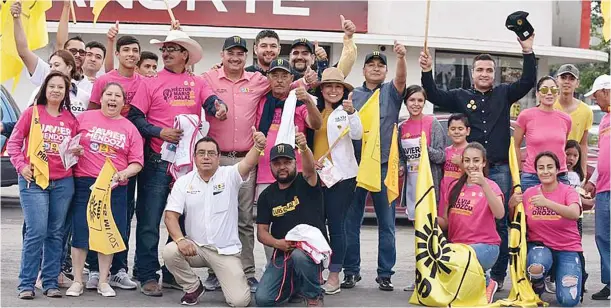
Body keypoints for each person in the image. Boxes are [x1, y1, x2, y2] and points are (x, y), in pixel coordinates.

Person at [419, 33, 536, 289]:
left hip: (499, 170)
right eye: (480, 69)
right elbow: (434, 95)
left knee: (500, 220)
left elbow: (528, 80)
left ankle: (497, 275)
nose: (484, 73)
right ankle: (463, 268)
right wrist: (427, 72)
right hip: (468, 172)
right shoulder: (460, 95)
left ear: (494, 73)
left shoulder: (505, 93)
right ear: (473, 73)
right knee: (463, 217)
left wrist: (527, 50)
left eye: (489, 70)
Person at [127, 29, 228, 296]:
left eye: (172, 48)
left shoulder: (197, 82)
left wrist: (219, 107)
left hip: (186, 165)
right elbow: (136, 118)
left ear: (186, 55)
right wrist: (159, 132)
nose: (166, 53)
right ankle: (147, 273)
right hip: (157, 159)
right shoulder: (149, 82)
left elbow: (212, 102)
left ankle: (172, 272)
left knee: (182, 220)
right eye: (164, 49)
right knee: (149, 219)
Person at [162, 131, 266, 306]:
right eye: (201, 153)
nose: (206, 157)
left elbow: (248, 162)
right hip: (196, 249)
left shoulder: (230, 175)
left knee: (239, 302)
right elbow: (170, 216)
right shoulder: (183, 182)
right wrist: (180, 240)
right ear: (194, 157)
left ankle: (228, 276)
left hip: (226, 252)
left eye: (211, 153)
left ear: (218, 157)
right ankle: (193, 287)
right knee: (170, 251)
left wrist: (258, 146)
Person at [65, 83, 144, 298]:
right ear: (100, 98)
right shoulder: (84, 119)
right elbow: (67, 145)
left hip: (114, 187)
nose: (113, 98)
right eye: (109, 94)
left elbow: (137, 162)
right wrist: (74, 150)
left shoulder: (130, 128)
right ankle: (78, 280)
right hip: (85, 184)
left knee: (107, 234)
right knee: (81, 232)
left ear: (123, 102)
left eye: (118, 95)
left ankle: (103, 280)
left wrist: (124, 174)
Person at [7, 72, 78, 300]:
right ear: (45, 90)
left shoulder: (70, 120)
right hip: (34, 180)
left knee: (56, 233)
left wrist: (77, 152)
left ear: (66, 92)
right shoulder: (32, 113)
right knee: (36, 232)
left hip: (63, 182)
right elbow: (14, 143)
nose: (56, 90)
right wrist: (21, 166)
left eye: (61, 87)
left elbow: (73, 151)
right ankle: (26, 283)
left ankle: (49, 283)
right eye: (52, 86)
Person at [342, 42, 407, 291]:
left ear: (386, 71)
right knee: (351, 223)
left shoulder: (391, 91)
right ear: (364, 70)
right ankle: (351, 271)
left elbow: (401, 79)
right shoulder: (353, 95)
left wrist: (401, 57)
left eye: (381, 65)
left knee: (387, 224)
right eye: (371, 65)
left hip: (382, 167)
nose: (376, 68)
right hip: (355, 167)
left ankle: (385, 274)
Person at [83, 35, 143, 291]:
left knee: (121, 219)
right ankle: (93, 270)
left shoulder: (144, 82)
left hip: (124, 166)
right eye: (125, 49)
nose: (131, 54)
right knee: (89, 221)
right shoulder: (104, 81)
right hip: (90, 174)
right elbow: (91, 116)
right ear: (117, 53)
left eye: (135, 50)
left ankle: (117, 269)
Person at [255, 134, 326, 307]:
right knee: (263, 300)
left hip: (311, 252)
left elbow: (310, 170)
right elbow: (262, 233)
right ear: (270, 165)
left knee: (299, 256)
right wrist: (277, 243)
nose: (282, 167)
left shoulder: (306, 181)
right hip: (283, 252)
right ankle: (295, 286)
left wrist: (304, 148)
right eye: (277, 163)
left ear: (295, 162)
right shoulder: (266, 196)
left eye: (287, 162)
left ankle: (313, 296)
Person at [509, 152, 583, 307]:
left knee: (569, 301)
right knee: (536, 267)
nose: (545, 171)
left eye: (550, 167)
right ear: (536, 171)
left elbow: (575, 213)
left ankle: (560, 273)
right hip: (540, 248)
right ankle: (539, 283)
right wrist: (511, 204)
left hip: (567, 248)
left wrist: (547, 202)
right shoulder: (529, 192)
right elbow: (515, 222)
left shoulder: (568, 191)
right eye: (541, 168)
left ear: (557, 170)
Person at [312, 67, 362, 295]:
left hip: (341, 179)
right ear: (322, 89)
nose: (333, 90)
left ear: (343, 90)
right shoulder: (314, 111)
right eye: (329, 86)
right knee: (316, 227)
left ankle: (334, 275)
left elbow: (357, 134)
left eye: (338, 87)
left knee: (337, 227)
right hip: (315, 177)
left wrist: (352, 113)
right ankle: (317, 272)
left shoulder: (346, 111)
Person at [437, 142, 505, 303]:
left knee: (457, 261)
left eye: (476, 160)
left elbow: (500, 214)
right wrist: (425, 217)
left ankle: (487, 283)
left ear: (483, 162)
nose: (471, 165)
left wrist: (483, 184)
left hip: (486, 248)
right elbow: (446, 223)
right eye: (467, 160)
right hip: (457, 249)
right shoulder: (454, 186)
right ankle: (481, 279)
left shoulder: (492, 186)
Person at [255, 59, 323, 201]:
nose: (279, 80)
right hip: (265, 173)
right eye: (275, 75)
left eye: (284, 76)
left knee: (295, 218)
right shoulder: (261, 101)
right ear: (268, 77)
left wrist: (309, 101)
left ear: (291, 78)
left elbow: (316, 124)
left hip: (295, 173)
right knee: (266, 218)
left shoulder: (298, 103)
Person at [11, 1, 92, 93]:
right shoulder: (48, 71)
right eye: (73, 51)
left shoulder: (89, 85)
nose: (77, 55)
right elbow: (23, 51)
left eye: (82, 52)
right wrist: (16, 18)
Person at [514, 76, 572, 191]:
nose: (549, 93)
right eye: (545, 90)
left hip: (559, 175)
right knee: (531, 208)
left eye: (553, 90)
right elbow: (516, 145)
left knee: (561, 209)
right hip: (532, 176)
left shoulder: (566, 119)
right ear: (537, 94)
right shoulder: (525, 116)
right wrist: (518, 173)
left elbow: (562, 146)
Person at [398, 85, 445, 220]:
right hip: (412, 187)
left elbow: (442, 156)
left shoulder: (432, 123)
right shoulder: (402, 127)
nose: (416, 104)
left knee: (431, 229)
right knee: (417, 229)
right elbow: (402, 157)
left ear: (424, 103)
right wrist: (401, 167)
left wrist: (426, 149)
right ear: (405, 102)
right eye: (412, 100)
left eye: (420, 100)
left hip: (430, 185)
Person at [583, 75, 611, 300]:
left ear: (606, 91)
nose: (595, 100)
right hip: (603, 188)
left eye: (596, 95)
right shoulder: (604, 121)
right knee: (603, 237)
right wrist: (592, 180)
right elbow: (603, 156)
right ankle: (610, 283)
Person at [25, 50, 91, 116]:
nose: (52, 69)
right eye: (50, 66)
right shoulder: (40, 91)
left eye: (56, 65)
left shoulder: (85, 97)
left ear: (69, 67)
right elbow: (28, 116)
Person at [553, 64, 593, 175]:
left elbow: (583, 144)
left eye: (571, 78)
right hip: (551, 167)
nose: (567, 81)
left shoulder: (586, 111)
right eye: (563, 77)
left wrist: (583, 172)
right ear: (557, 80)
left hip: (572, 169)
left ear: (577, 83)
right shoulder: (548, 105)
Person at [438, 113, 470, 214]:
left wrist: (460, 163)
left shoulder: (471, 150)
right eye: (453, 129)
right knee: (444, 222)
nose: (456, 132)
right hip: (444, 193)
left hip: (462, 194)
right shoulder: (445, 151)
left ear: (467, 131)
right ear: (448, 131)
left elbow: (475, 174)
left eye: (460, 129)